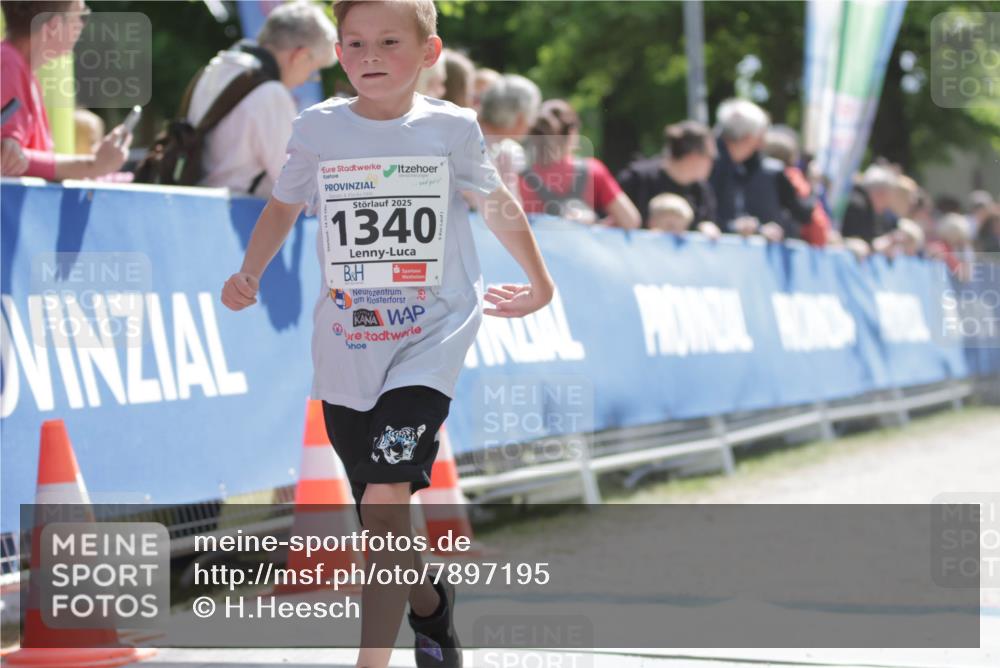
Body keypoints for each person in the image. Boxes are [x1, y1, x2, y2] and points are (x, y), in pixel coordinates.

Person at [220, 2, 555, 666]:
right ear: (338, 55)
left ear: (430, 53)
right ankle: (430, 604)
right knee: (382, 515)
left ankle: (372, 658)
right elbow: (283, 205)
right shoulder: (317, 128)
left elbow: (495, 203)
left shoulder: (453, 128)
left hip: (430, 335)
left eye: (390, 42)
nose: (371, 54)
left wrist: (540, 283)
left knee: (384, 498)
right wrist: (249, 271)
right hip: (347, 341)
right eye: (355, 43)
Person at [187, 1, 337, 198]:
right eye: (312, 71)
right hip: (241, 215)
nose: (306, 80)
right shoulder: (271, 94)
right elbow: (296, 182)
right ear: (300, 56)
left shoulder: (217, 68)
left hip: (200, 203)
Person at [1, 0, 131, 180]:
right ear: (54, 26)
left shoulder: (16, 66)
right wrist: (93, 166)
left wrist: (94, 168)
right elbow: (6, 157)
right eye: (81, 15)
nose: (82, 25)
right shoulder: (7, 63)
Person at [519, 99, 641, 228]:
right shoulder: (593, 171)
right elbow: (631, 220)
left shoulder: (518, 178)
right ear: (572, 132)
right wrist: (595, 224)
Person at [708, 98, 811, 242]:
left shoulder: (745, 166)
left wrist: (758, 229)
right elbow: (705, 215)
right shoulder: (710, 165)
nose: (763, 144)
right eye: (761, 137)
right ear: (750, 138)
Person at [617, 119, 718, 233]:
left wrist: (707, 230)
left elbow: (707, 224)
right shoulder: (636, 180)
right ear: (693, 156)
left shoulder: (702, 192)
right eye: (711, 156)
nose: (713, 163)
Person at [477, 73, 540, 199]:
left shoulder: (499, 148)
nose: (533, 123)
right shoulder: (500, 154)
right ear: (520, 118)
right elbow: (510, 212)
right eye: (533, 113)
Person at [841, 164, 897, 245]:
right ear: (880, 194)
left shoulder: (865, 205)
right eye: (888, 198)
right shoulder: (857, 206)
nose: (887, 205)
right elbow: (854, 239)